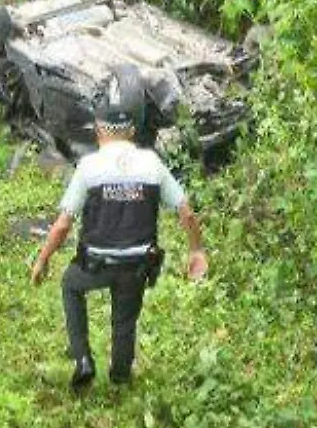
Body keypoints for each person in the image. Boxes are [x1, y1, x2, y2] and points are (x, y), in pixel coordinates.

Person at [30, 72, 209, 390]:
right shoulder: (152, 163)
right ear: (132, 131)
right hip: (137, 263)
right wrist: (196, 250)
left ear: (99, 130)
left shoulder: (89, 166)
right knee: (125, 319)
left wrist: (43, 259)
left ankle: (83, 359)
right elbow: (187, 212)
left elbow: (63, 223)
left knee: (71, 286)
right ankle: (120, 375)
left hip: (96, 262)